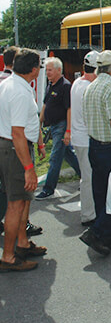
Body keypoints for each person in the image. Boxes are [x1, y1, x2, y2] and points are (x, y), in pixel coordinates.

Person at [80, 50, 111, 256]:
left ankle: (107, 234)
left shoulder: (91, 86)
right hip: (110, 148)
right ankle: (97, 231)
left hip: (94, 145)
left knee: (101, 192)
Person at [0, 49, 47, 272]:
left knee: (21, 200)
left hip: (10, 147)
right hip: (14, 148)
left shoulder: (11, 83)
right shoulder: (18, 91)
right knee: (16, 204)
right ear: (34, 69)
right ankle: (8, 257)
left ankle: (22, 243)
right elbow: (17, 132)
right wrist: (29, 168)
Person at [35, 57, 81, 199]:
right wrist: (40, 121)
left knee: (55, 157)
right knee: (69, 154)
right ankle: (86, 177)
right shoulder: (50, 85)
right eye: (46, 70)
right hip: (53, 125)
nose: (47, 72)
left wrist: (68, 131)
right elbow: (45, 105)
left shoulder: (65, 86)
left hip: (61, 126)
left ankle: (48, 189)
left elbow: (69, 109)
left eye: (50, 70)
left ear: (59, 70)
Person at [68, 51, 99, 226]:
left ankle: (89, 211)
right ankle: (89, 214)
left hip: (79, 138)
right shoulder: (88, 88)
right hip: (86, 139)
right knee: (89, 178)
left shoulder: (77, 83)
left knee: (87, 177)